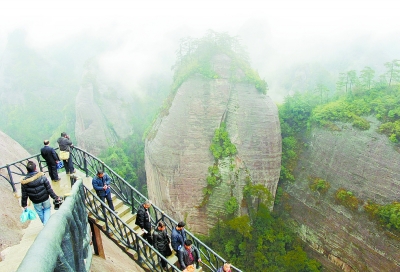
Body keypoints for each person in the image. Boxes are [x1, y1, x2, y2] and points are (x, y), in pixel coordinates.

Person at [21, 160, 61, 225]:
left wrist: (24, 205)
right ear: (35, 168)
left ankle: (45, 224)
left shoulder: (24, 182)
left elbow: (24, 195)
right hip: (45, 198)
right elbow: (49, 189)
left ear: (27, 170)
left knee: (39, 211)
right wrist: (55, 197)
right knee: (47, 209)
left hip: (35, 201)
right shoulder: (42, 176)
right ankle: (46, 224)